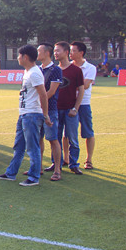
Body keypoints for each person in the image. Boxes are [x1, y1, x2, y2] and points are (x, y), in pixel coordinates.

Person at [0, 45, 52, 186]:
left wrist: (45, 114)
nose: (17, 58)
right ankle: (11, 173)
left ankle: (33, 177)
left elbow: (43, 94)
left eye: (19, 55)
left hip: (32, 115)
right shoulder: (28, 72)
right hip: (24, 114)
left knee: (32, 148)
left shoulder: (34, 73)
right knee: (19, 146)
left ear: (25, 57)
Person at [53, 41, 85, 175]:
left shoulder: (76, 70)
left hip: (70, 110)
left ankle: (74, 164)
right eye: (54, 51)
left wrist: (75, 108)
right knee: (55, 138)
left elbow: (81, 90)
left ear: (66, 52)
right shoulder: (54, 70)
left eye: (58, 50)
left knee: (72, 138)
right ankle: (56, 163)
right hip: (55, 110)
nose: (55, 53)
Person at [35, 43, 62, 181]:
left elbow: (51, 91)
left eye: (39, 51)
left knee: (53, 139)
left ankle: (57, 170)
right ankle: (38, 168)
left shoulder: (55, 70)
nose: (37, 53)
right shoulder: (37, 69)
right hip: (37, 110)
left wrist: (39, 101)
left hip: (50, 109)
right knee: (38, 139)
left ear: (47, 53)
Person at [70, 41, 97, 170]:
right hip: (69, 103)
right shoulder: (67, 66)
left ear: (81, 53)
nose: (70, 53)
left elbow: (85, 85)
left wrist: (69, 85)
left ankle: (89, 160)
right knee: (67, 133)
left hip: (84, 104)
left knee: (88, 132)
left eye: (73, 51)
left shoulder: (90, 68)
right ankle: (66, 159)